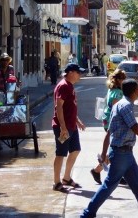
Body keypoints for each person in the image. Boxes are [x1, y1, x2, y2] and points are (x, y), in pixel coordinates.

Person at [80, 78, 138, 218]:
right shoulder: (126, 106)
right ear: (134, 91)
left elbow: (109, 132)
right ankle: (87, 214)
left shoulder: (118, 105)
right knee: (109, 185)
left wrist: (104, 153)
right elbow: (135, 128)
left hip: (125, 154)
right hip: (121, 154)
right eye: (137, 90)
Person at [52, 62, 86, 192]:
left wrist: (77, 121)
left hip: (71, 126)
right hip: (64, 127)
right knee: (60, 153)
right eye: (78, 72)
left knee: (75, 150)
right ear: (70, 73)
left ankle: (66, 178)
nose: (80, 75)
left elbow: (70, 107)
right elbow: (59, 107)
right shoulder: (64, 86)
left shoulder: (69, 85)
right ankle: (56, 182)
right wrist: (63, 127)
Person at [90, 68, 127, 184]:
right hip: (113, 121)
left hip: (107, 119)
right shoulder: (118, 92)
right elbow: (117, 109)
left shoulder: (111, 90)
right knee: (117, 149)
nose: (125, 81)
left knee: (117, 148)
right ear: (119, 80)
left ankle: (100, 171)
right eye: (124, 79)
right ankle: (106, 172)